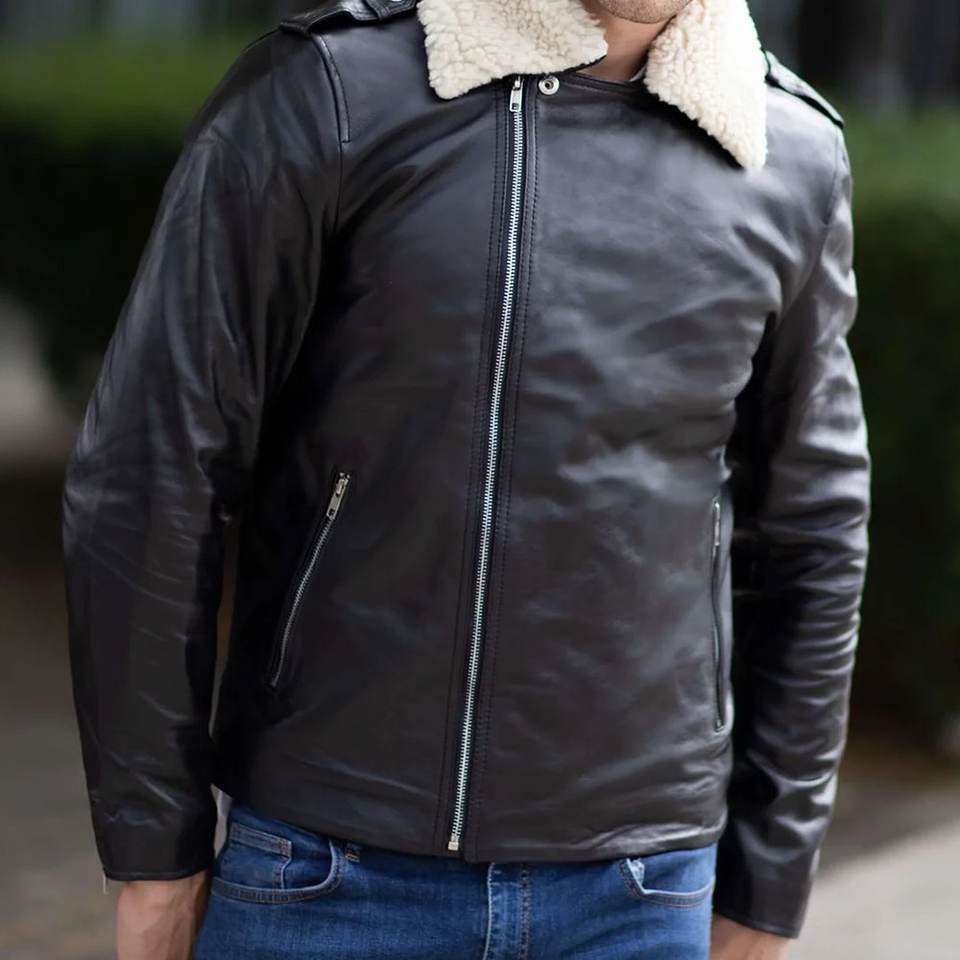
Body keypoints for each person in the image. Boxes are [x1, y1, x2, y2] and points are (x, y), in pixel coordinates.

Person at [60, 0, 872, 957]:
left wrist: (768, 881)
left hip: (642, 897)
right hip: (326, 875)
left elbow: (814, 531)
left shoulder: (790, 152)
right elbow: (153, 471)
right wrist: (154, 851)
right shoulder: (332, 92)